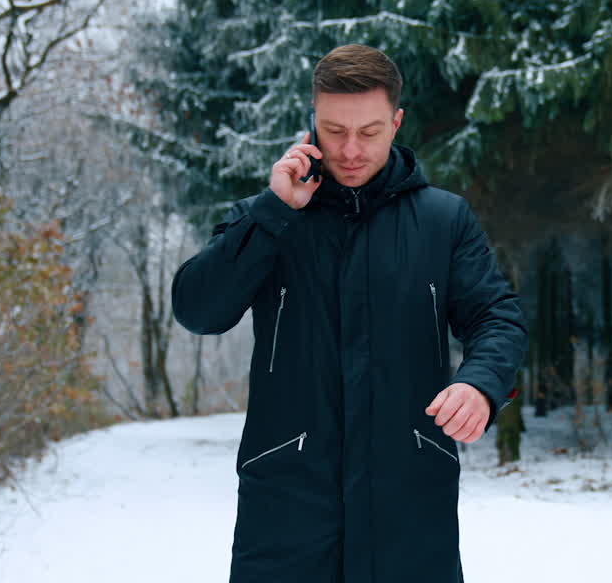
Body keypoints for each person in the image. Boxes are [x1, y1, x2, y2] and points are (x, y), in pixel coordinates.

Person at [171, 44, 528, 583]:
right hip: (288, 508)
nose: (352, 150)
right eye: (335, 131)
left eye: (370, 131)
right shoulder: (265, 215)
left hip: (408, 506)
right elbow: (198, 310)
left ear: (397, 122)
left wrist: (480, 384)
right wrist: (272, 214)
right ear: (312, 119)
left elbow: (498, 317)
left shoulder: (443, 219)